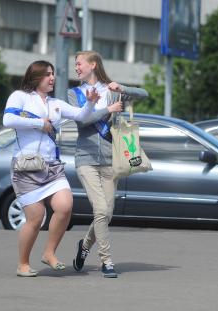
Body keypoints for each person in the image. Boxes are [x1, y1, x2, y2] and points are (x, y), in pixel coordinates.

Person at [3, 60, 100, 277]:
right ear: (36, 76)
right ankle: (23, 264)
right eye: (47, 74)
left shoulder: (56, 103)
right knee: (36, 218)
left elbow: (82, 115)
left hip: (52, 166)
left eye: (53, 74)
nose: (52, 78)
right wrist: (39, 123)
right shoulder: (21, 96)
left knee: (65, 206)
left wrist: (91, 103)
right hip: (27, 167)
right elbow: (8, 119)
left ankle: (49, 252)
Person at [68, 51, 148, 278]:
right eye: (75, 64)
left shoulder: (111, 91)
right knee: (100, 210)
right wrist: (107, 110)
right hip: (86, 160)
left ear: (93, 64)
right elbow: (82, 122)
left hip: (111, 160)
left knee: (107, 214)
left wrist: (122, 89)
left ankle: (84, 246)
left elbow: (144, 93)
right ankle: (107, 260)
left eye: (79, 63)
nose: (76, 68)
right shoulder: (74, 93)